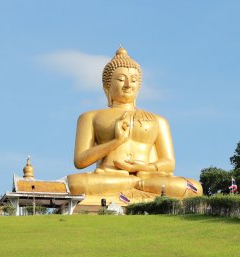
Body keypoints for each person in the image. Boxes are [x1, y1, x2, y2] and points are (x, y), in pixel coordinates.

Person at [67, 47, 203, 204]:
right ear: (107, 87)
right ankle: (136, 188)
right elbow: (80, 161)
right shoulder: (90, 117)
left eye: (133, 80)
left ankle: (132, 185)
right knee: (75, 184)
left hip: (146, 177)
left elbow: (169, 163)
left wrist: (145, 168)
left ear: (138, 87)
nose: (127, 85)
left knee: (193, 187)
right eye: (120, 79)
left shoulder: (158, 120)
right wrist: (116, 141)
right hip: (109, 176)